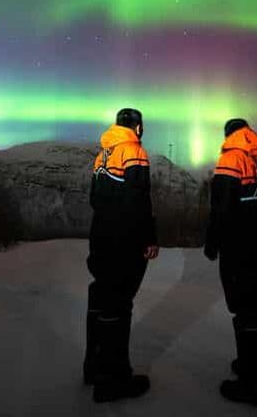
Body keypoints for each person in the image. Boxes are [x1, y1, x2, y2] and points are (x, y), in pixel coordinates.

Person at [84, 108, 159, 403]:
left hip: (100, 237)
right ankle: (113, 378)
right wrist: (149, 238)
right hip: (123, 241)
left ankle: (94, 367)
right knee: (119, 304)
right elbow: (139, 201)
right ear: (137, 127)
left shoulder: (102, 156)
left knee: (102, 299)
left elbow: (94, 199)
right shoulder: (134, 152)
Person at [204, 118, 257, 407]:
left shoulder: (230, 160)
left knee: (245, 308)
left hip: (239, 248)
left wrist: (212, 242)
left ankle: (254, 385)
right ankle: (256, 367)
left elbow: (221, 207)